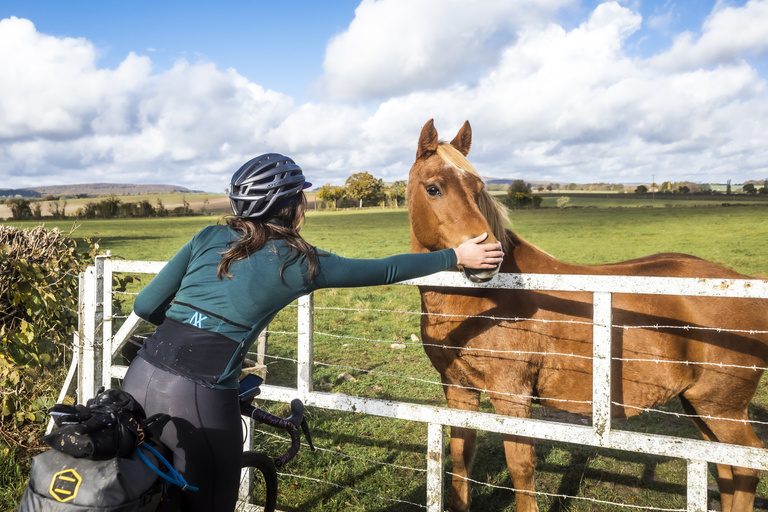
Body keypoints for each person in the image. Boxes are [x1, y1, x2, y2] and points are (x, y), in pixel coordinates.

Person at [121, 153, 503, 512]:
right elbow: (384, 270)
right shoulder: (301, 262)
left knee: (137, 491)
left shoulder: (207, 236)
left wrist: (189, 327)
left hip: (141, 373)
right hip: (199, 395)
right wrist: (456, 255)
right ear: (291, 207)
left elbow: (145, 306)